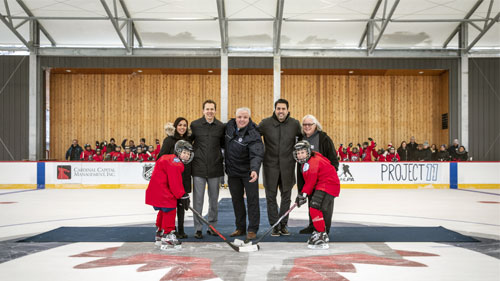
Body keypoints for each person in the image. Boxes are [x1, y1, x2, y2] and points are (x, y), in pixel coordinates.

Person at [258, 99, 301, 237]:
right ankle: (274, 225)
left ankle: (283, 224)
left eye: (283, 108)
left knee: (286, 196)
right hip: (270, 166)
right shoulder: (265, 123)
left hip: (288, 166)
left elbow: (302, 140)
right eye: (278, 108)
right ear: (275, 109)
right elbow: (254, 137)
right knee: (271, 197)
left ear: (288, 110)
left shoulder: (295, 124)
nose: (281, 111)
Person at [145, 140, 193, 250]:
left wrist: (181, 195)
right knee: (170, 208)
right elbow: (174, 183)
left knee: (163, 210)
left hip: (157, 190)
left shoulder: (171, 158)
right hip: (163, 191)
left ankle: (159, 233)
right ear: (178, 152)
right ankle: (168, 235)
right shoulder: (175, 163)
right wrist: (182, 195)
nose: (187, 156)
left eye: (188, 154)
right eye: (184, 153)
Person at [225, 108, 264, 240]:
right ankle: (240, 227)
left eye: (245, 117)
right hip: (233, 173)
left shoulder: (253, 133)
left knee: (252, 201)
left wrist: (254, 170)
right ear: (235, 117)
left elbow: (257, 153)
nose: (242, 120)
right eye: (239, 117)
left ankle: (252, 229)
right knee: (237, 201)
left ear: (249, 118)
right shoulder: (229, 127)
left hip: (248, 173)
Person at [294, 140, 340, 249]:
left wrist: (303, 195)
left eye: (302, 152)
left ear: (308, 152)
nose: (300, 155)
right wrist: (302, 195)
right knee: (315, 208)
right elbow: (310, 181)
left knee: (314, 207)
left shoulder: (313, 162)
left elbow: (311, 181)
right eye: (298, 153)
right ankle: (320, 233)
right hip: (324, 185)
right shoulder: (307, 162)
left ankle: (321, 235)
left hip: (328, 185)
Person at [297, 114, 338, 235]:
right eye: (304, 124)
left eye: (310, 124)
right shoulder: (301, 139)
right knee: (312, 204)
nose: (307, 126)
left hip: (323, 180)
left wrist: (330, 175)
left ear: (316, 125)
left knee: (324, 206)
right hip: (308, 177)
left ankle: (324, 230)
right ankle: (313, 225)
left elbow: (333, 158)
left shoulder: (323, 138)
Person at [190, 100, 225, 239]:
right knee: (198, 200)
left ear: (215, 111)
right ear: (203, 110)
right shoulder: (195, 125)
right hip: (198, 168)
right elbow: (188, 142)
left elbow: (223, 145)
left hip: (215, 168)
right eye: (207, 109)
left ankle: (212, 226)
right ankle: (198, 228)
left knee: (214, 200)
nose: (210, 111)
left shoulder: (221, 127)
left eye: (212, 109)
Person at [157, 117, 193, 239]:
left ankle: (181, 230)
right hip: (171, 179)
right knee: (171, 206)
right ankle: (169, 229)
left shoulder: (188, 140)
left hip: (185, 177)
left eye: (184, 125)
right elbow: (160, 158)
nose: (182, 127)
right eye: (180, 125)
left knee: (182, 205)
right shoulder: (169, 140)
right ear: (175, 126)